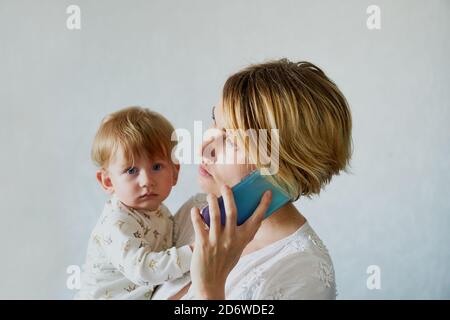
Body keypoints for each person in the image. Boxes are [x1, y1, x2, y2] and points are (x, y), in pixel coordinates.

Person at [151, 59, 352, 299]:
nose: (206, 146)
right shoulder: (197, 211)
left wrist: (209, 288)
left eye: (233, 141)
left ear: (283, 167)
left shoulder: (303, 273)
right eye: (214, 120)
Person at [75, 107, 193, 299]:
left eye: (156, 167)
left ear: (175, 172)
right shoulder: (117, 222)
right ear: (108, 181)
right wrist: (195, 252)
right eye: (131, 171)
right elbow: (144, 270)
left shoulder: (160, 211)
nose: (146, 181)